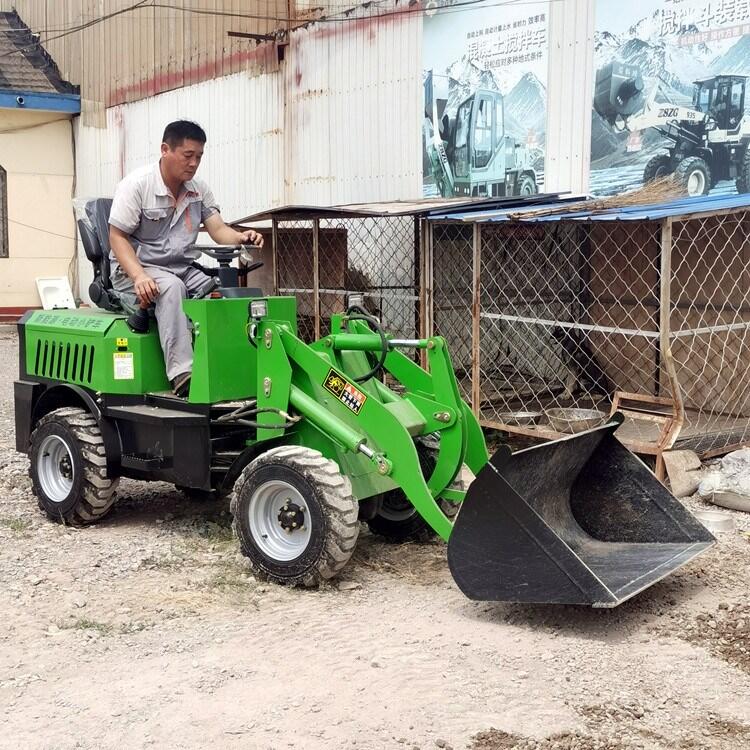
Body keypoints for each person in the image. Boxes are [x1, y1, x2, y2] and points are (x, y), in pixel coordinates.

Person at [108, 120, 263, 396]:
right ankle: (183, 375)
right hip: (136, 270)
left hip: (180, 267)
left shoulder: (198, 190)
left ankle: (230, 368)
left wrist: (241, 237)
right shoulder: (136, 186)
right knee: (172, 288)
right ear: (165, 149)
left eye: (199, 157)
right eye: (188, 155)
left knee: (220, 298)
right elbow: (117, 237)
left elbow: (218, 230)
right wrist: (139, 276)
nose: (193, 164)